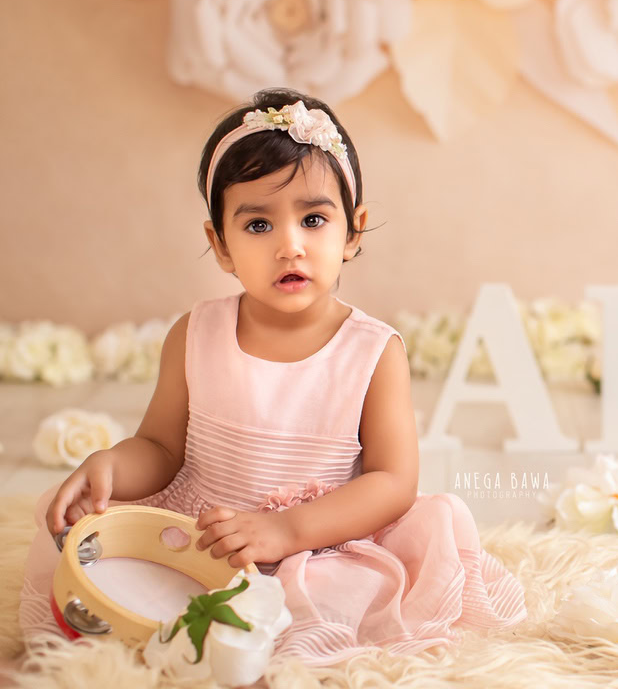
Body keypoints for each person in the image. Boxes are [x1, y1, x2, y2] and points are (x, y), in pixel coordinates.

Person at [18, 88, 527, 665]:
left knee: (327, 606)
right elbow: (160, 446)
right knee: (105, 565)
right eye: (258, 225)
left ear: (352, 233)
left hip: (316, 544)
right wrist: (111, 465)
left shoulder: (373, 352)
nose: (290, 246)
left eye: (313, 219)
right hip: (201, 532)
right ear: (221, 245)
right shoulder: (196, 333)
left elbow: (392, 481)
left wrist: (286, 532)